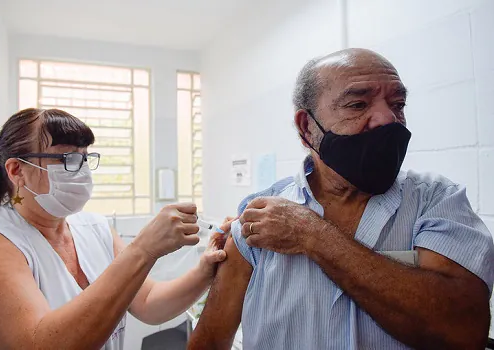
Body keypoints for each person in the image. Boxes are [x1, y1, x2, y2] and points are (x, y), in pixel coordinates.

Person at [188, 48, 494, 350]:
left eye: (398, 103)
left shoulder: (437, 201)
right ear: (307, 127)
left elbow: (464, 333)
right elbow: (210, 341)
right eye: (358, 104)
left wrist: (313, 234)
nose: (388, 119)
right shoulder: (259, 218)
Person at [0, 108, 226, 350]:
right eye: (66, 158)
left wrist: (205, 270)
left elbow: (149, 302)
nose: (82, 171)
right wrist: (143, 249)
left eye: (84, 157)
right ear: (17, 170)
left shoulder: (95, 228)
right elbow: (41, 344)